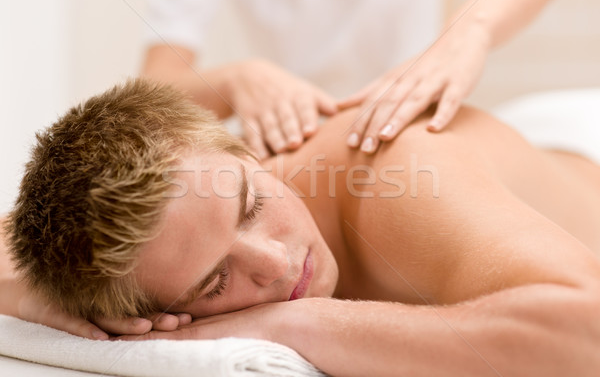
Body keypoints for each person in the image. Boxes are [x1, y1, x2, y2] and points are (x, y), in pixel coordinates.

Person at [2, 79, 599, 376]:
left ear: (246, 153)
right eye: (213, 284)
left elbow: (586, 334)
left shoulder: (403, 175)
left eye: (253, 205)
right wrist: (36, 297)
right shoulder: (136, 251)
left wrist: (297, 321)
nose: (278, 263)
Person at [142, 0, 566, 157]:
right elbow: (151, 95)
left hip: (421, 123)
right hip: (296, 138)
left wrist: (468, 33)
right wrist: (235, 81)